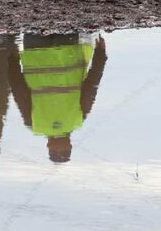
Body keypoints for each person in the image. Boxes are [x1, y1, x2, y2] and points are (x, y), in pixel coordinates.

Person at [8, 34, 108, 163]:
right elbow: (18, 89)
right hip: (36, 51)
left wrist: (100, 54)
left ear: (70, 144)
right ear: (48, 145)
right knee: (35, 16)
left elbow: (91, 85)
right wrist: (12, 61)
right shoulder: (35, 124)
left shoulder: (77, 119)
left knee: (62, 15)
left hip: (67, 48)